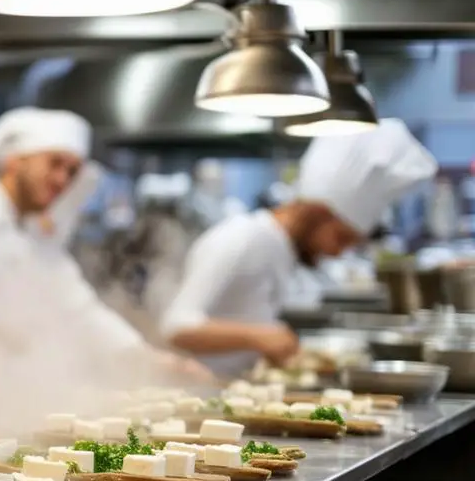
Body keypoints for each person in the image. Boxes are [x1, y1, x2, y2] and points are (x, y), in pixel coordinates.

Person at [0, 107, 209, 421]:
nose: (63, 179)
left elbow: (81, 313)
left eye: (72, 170)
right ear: (15, 161)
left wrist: (154, 361)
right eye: (55, 164)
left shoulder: (38, 239)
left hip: (4, 408)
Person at [160, 119, 437, 378]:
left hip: (235, 391)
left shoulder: (280, 248)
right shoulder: (242, 238)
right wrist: (261, 336)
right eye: (340, 238)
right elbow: (175, 325)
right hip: (197, 396)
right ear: (316, 212)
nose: (338, 253)